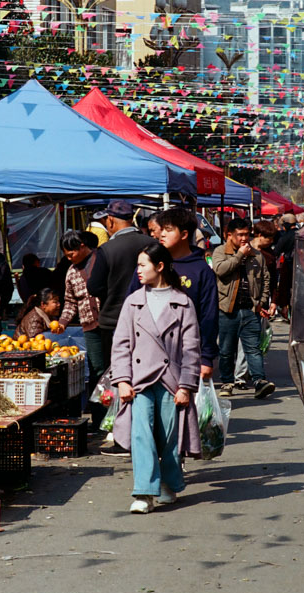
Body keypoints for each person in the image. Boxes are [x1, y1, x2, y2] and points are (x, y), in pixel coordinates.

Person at [110, 243, 201, 514]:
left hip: (172, 380)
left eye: (142, 265)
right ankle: (144, 492)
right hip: (139, 381)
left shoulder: (183, 303)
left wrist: (186, 385)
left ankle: (168, 484)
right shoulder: (133, 302)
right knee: (141, 435)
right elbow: (121, 344)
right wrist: (122, 380)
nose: (137, 270)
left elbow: (191, 348)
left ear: (159, 266)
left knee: (170, 436)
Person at [128, 208, 218, 380]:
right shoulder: (149, 264)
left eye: (168, 230)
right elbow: (130, 305)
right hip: (145, 352)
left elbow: (209, 316)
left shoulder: (201, 270)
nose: (161, 234)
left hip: (185, 355)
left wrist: (206, 357)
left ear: (184, 234)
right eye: (161, 229)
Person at [87, 199, 155, 370]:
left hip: (114, 321)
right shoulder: (152, 244)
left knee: (117, 373)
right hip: (150, 320)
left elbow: (94, 287)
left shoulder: (107, 249)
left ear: (110, 220)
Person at [212, 218, 275, 399]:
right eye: (239, 235)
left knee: (253, 349)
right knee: (226, 350)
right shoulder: (220, 252)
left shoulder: (257, 255)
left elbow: (265, 279)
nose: (244, 238)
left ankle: (259, 381)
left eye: (246, 234)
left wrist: (261, 302)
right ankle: (227, 382)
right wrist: (239, 255)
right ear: (229, 235)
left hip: (250, 310)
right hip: (227, 309)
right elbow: (220, 270)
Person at [58, 230, 103, 385]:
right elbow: (70, 301)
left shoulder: (101, 260)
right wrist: (63, 322)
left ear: (82, 246)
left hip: (109, 321)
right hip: (90, 326)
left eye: (71, 254)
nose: (69, 259)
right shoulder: (71, 272)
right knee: (96, 367)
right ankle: (99, 399)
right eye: (67, 256)